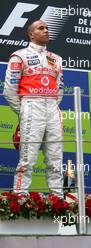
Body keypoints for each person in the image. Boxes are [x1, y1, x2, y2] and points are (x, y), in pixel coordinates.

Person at [3, 20, 64, 197]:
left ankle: (58, 198)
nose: (46, 31)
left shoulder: (56, 59)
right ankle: (19, 198)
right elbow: (9, 90)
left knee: (55, 158)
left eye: (47, 28)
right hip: (31, 105)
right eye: (41, 28)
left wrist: (50, 105)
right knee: (27, 158)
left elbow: (59, 89)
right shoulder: (19, 56)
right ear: (31, 34)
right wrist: (23, 110)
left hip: (52, 107)